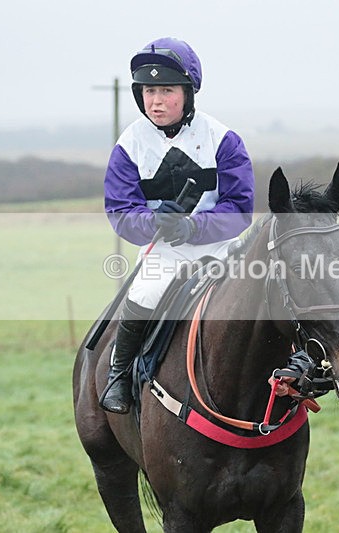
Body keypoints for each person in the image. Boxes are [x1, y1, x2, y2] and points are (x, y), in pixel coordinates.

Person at [99, 37, 254, 414]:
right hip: (164, 251)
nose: (156, 101)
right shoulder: (128, 145)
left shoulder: (223, 140)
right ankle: (119, 376)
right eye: (149, 90)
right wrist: (153, 223)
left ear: (187, 93)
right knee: (146, 292)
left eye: (166, 90)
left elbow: (240, 207)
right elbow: (120, 211)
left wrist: (194, 228)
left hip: (222, 248)